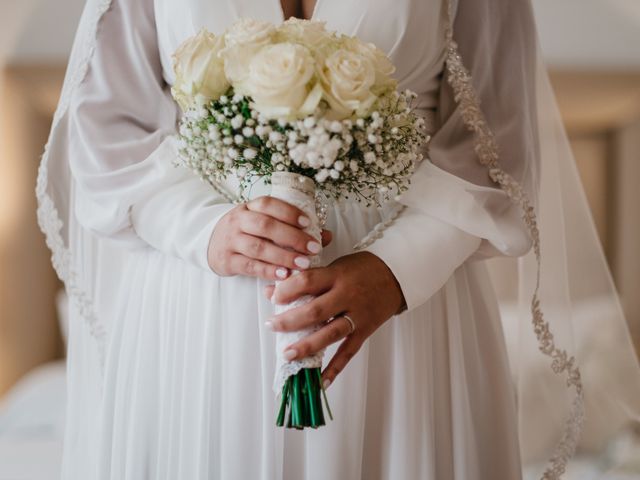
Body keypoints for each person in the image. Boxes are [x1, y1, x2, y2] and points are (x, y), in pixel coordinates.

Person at [36, 0, 640, 478]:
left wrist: (395, 268)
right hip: (201, 310)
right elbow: (109, 130)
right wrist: (205, 229)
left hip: (405, 318)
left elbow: (496, 142)